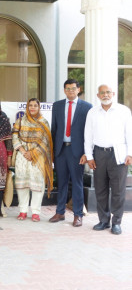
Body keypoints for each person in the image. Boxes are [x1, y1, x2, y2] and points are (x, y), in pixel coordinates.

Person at [84, 84, 132, 235]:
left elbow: (129, 133)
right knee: (100, 189)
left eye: (108, 92)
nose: (105, 95)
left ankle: (116, 222)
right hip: (99, 154)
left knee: (118, 190)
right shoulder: (92, 112)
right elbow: (88, 136)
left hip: (118, 154)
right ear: (98, 95)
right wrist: (89, 156)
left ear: (113, 94)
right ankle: (104, 220)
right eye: (102, 93)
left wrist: (130, 154)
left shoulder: (123, 111)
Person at [49, 79, 92, 227]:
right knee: (61, 183)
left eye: (73, 88)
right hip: (61, 150)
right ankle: (60, 212)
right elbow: (54, 130)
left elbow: (89, 132)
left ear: (78, 89)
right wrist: (53, 151)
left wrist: (87, 153)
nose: (70, 91)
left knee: (77, 183)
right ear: (64, 90)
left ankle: (78, 215)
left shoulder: (87, 107)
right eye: (67, 89)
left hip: (77, 151)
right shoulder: (57, 105)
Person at [12, 98, 54, 222]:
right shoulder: (20, 121)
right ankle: (23, 210)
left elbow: (46, 140)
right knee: (22, 183)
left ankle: (36, 212)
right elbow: (14, 135)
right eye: (30, 105)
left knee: (37, 183)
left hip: (38, 156)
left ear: (39, 107)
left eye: (35, 105)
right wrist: (23, 151)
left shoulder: (44, 122)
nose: (33, 108)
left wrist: (33, 153)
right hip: (22, 155)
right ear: (27, 107)